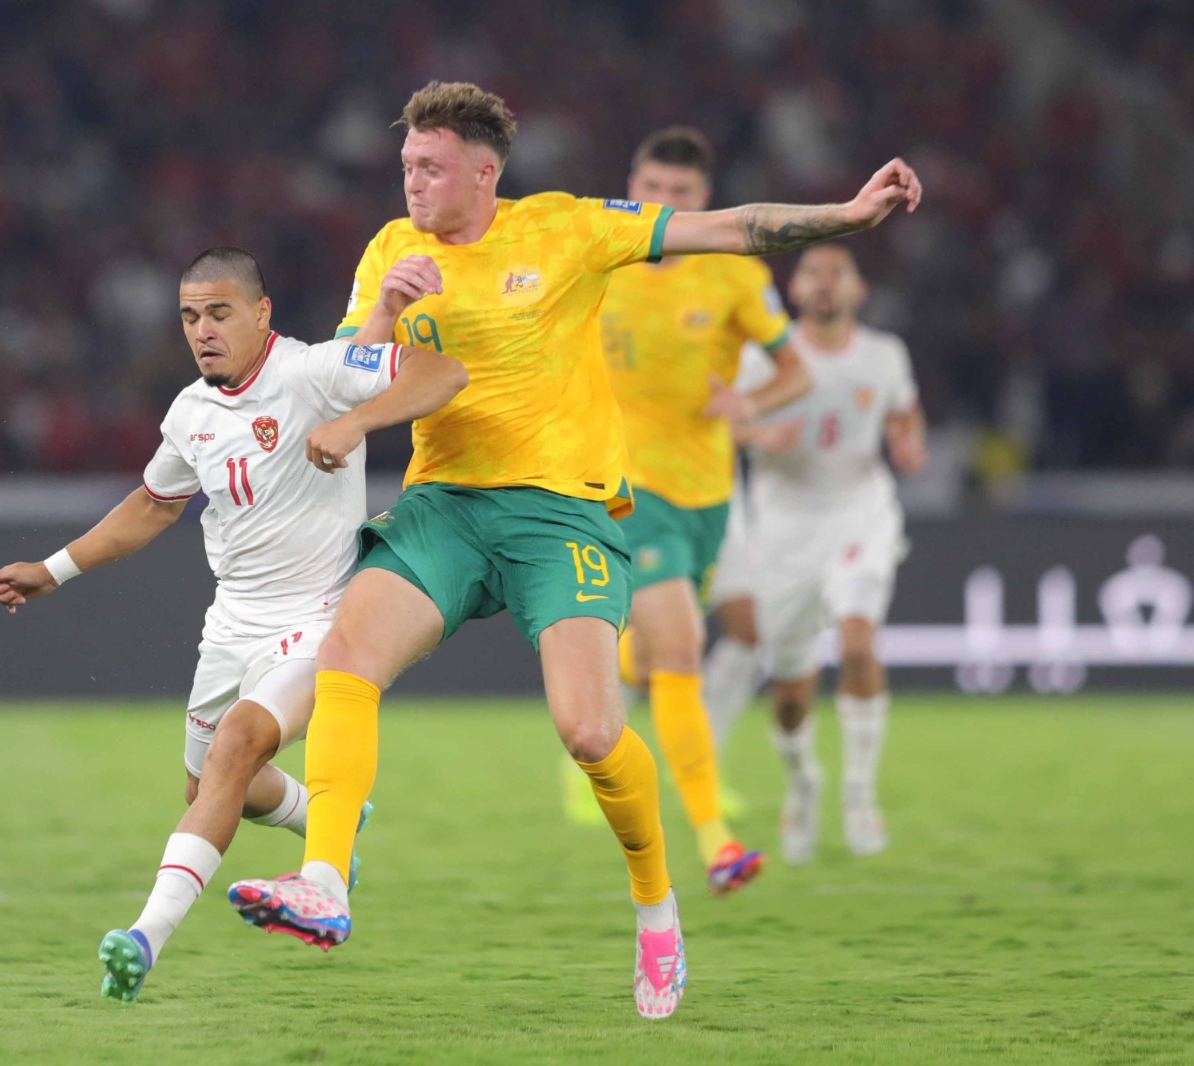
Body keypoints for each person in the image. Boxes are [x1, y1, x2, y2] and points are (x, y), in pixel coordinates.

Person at [227, 81, 922, 1020]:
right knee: (349, 649)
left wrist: (846, 213)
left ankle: (656, 905)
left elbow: (735, 228)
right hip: (445, 505)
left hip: (564, 514)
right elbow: (346, 387)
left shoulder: (568, 230)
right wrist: (385, 316)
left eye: (429, 169)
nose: (412, 185)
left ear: (484, 171)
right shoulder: (393, 249)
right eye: (405, 168)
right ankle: (326, 880)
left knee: (591, 731)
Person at [0, 248, 467, 1005]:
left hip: (317, 622)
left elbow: (440, 375)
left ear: (261, 312)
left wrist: (355, 426)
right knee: (206, 786)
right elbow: (152, 506)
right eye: (189, 317)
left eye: (218, 312)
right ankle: (325, 816)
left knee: (237, 746)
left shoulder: (316, 371)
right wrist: (52, 570)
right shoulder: (191, 411)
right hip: (231, 624)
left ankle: (143, 937)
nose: (202, 330)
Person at [599, 127, 812, 893]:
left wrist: (746, 400)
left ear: (703, 202)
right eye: (652, 188)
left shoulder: (731, 275)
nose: (665, 205)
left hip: (709, 497)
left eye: (681, 194)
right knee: (686, 647)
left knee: (658, 656)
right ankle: (717, 840)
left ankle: (618, 655)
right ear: (633, 184)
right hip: (625, 491)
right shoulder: (601, 258)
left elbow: (794, 371)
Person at [704, 244, 926, 863]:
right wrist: (755, 432)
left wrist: (907, 444)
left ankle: (859, 791)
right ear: (794, 290)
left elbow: (905, 417)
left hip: (861, 511)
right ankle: (804, 783)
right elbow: (720, 422)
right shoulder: (763, 358)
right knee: (792, 690)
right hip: (784, 528)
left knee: (858, 643)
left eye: (838, 274)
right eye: (813, 274)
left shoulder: (884, 356)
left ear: (858, 290)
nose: (825, 285)